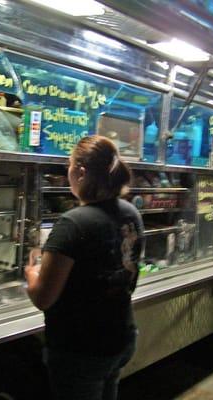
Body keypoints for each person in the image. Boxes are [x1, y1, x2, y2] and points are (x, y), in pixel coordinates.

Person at [25, 135, 145, 400]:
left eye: (68, 166)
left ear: (80, 172)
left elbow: (44, 297)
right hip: (122, 335)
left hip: (81, 348)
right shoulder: (130, 212)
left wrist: (31, 272)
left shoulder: (73, 223)